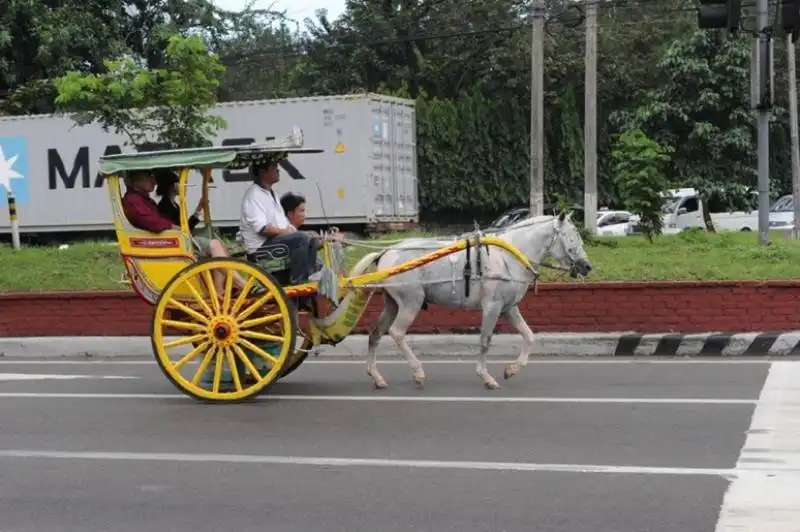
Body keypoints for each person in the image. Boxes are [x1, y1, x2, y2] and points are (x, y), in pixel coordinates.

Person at [121, 169, 246, 295]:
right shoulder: (135, 201)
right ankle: (237, 285)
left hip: (173, 240)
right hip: (167, 244)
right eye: (148, 177)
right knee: (215, 245)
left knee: (218, 247)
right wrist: (176, 228)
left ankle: (221, 290)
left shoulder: (147, 201)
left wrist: (185, 224)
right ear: (135, 181)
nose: (153, 181)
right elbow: (155, 223)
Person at [239, 158, 320, 286]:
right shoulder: (254, 195)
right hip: (261, 249)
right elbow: (263, 229)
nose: (278, 170)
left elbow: (281, 223)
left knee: (312, 237)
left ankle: (310, 275)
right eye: (274, 167)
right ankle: (298, 281)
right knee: (302, 238)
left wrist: (291, 231)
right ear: (263, 171)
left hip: (274, 243)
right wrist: (285, 232)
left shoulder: (272, 194)